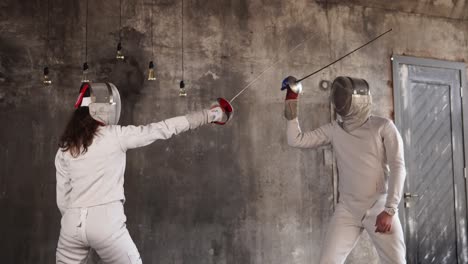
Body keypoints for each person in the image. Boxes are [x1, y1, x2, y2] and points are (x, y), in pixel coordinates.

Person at [55, 82, 233, 264]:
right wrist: (209, 114)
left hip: (71, 225)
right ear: (103, 108)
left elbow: (62, 198)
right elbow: (162, 128)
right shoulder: (115, 135)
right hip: (105, 223)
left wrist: (75, 222)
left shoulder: (65, 148)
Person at [282, 76, 406, 263]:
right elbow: (295, 139)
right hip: (348, 209)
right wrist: (292, 98)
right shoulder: (335, 130)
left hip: (379, 206)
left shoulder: (383, 127)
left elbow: (398, 166)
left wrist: (390, 209)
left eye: (345, 97)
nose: (341, 100)